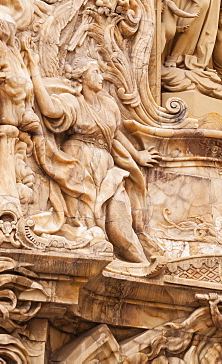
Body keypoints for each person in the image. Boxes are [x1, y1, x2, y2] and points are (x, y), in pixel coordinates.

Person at [24, 43, 154, 263]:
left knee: (118, 219)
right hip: (78, 164)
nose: (101, 77)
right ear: (82, 78)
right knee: (86, 225)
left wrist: (137, 156)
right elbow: (50, 110)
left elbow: (114, 135)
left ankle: (141, 264)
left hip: (106, 166)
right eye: (95, 72)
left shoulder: (109, 104)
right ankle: (108, 258)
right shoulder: (73, 102)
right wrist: (34, 71)